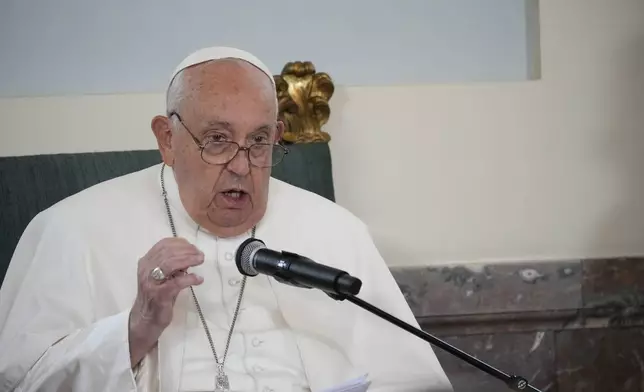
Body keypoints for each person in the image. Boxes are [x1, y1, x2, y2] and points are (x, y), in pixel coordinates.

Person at [0, 47, 453, 392]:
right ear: (167, 138)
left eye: (259, 141)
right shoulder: (73, 228)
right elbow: (21, 382)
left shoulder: (334, 230)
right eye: (217, 139)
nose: (242, 165)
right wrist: (134, 330)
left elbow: (411, 379)